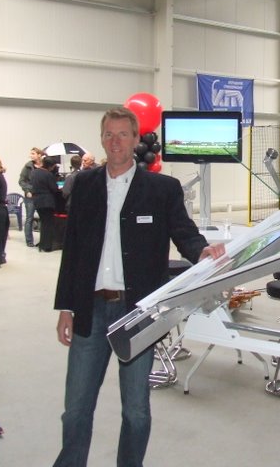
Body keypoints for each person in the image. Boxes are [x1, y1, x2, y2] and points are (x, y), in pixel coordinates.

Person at [53, 107, 225, 467]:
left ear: (135, 139)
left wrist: (202, 251)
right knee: (76, 408)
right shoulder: (84, 185)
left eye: (123, 134)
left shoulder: (162, 189)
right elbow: (73, 250)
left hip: (137, 313)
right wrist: (65, 307)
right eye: (109, 134)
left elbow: (183, 232)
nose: (115, 142)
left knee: (136, 410)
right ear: (102, 139)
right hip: (89, 309)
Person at [31, 156, 59, 253]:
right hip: (47, 201)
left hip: (37, 200)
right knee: (48, 223)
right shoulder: (48, 175)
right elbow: (54, 188)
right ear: (50, 166)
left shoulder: (34, 173)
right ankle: (47, 245)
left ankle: (42, 243)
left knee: (43, 222)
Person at [19, 147, 45, 247]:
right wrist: (28, 190)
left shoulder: (44, 166)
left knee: (43, 218)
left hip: (41, 195)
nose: (31, 155)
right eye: (31, 153)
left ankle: (43, 240)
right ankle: (29, 241)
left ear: (39, 155)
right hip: (30, 196)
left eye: (33, 153)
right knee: (29, 218)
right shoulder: (28, 166)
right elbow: (21, 181)